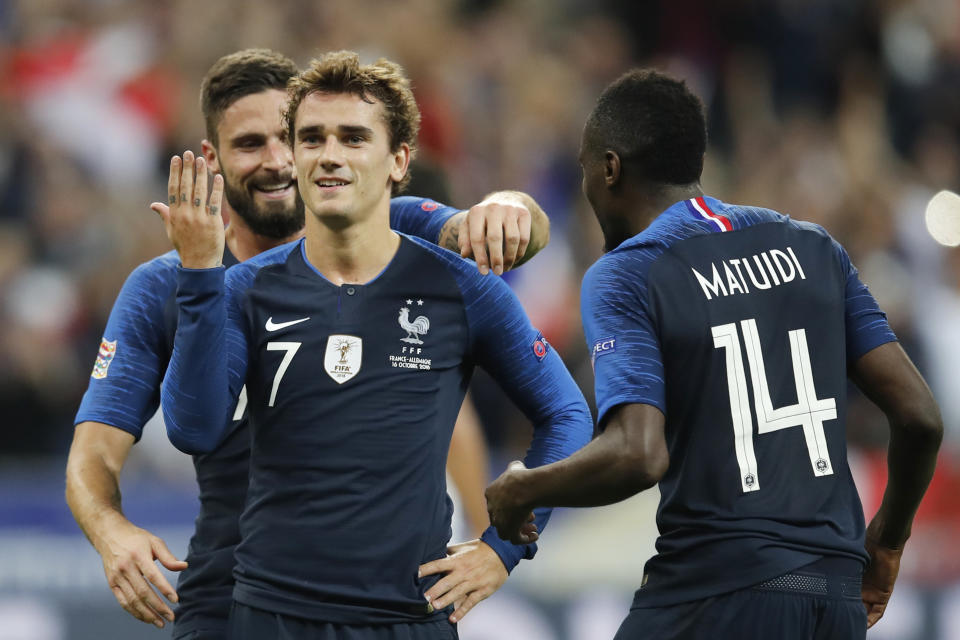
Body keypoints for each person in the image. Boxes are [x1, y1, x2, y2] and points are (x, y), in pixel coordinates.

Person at [65, 48, 550, 639]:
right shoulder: (164, 287)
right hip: (231, 602)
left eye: (285, 138)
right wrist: (111, 531)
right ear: (212, 161)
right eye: (249, 145)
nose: (275, 162)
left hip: (381, 604)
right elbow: (94, 453)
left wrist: (512, 202)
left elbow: (507, 233)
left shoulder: (389, 224)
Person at [485, 69, 944, 639]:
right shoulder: (813, 246)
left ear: (610, 168)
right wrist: (888, 542)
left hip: (717, 589)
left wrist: (522, 487)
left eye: (584, 169)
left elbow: (637, 454)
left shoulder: (630, 271)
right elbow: (921, 417)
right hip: (833, 597)